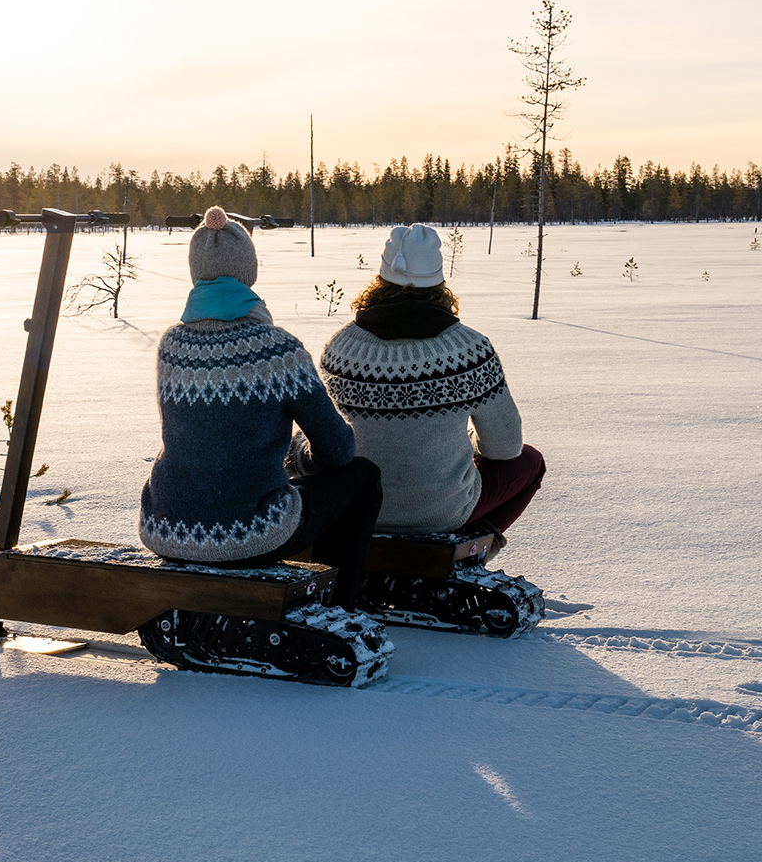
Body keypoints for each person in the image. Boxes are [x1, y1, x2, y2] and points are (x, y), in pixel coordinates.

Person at [139, 207, 383, 608]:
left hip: (167, 527)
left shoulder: (172, 345)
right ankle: (337, 605)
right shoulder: (277, 350)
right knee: (361, 476)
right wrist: (301, 454)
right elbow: (338, 450)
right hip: (248, 534)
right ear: (248, 272)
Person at [314, 224, 543, 561]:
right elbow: (505, 448)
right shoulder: (470, 350)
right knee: (530, 462)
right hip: (444, 513)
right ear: (438, 282)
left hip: (355, 508)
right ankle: (458, 556)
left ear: (380, 278)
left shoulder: (340, 348)